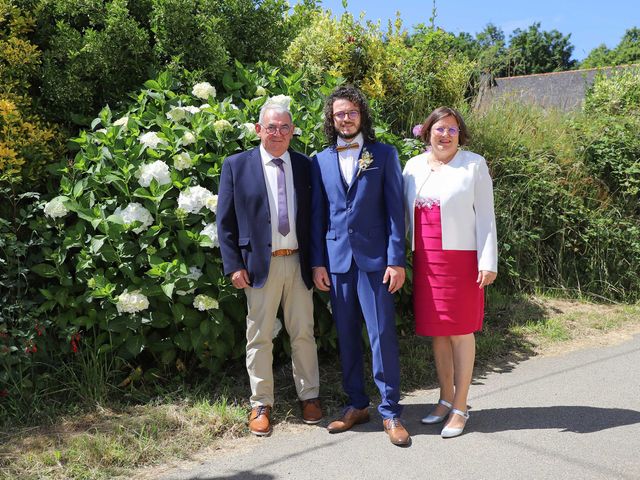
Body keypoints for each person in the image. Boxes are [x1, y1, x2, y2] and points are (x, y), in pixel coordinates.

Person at [217, 96, 322, 436]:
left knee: (303, 333)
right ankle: (261, 403)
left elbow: (316, 220)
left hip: (297, 262)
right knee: (259, 336)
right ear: (258, 129)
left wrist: (318, 262)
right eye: (271, 127)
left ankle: (310, 396)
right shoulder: (236, 165)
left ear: (293, 131)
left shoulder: (306, 166)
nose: (278, 133)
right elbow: (226, 222)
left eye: (284, 127)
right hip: (259, 266)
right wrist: (234, 264)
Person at [311, 85, 409, 446]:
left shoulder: (384, 154)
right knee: (348, 336)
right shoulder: (319, 160)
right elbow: (319, 215)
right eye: (339, 113)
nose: (346, 118)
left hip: (375, 261)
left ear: (362, 115)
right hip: (337, 262)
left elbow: (396, 213)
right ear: (331, 118)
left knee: (381, 335)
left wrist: (396, 260)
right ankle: (356, 404)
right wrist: (318, 262)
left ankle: (391, 411)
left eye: (351, 112)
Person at [402, 106, 497, 438]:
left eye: (452, 130)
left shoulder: (473, 165)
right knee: (438, 332)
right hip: (426, 261)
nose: (445, 135)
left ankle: (460, 406)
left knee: (460, 331)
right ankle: (444, 398)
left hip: (462, 260)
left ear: (460, 135)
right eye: (439, 129)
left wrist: (488, 261)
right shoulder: (412, 167)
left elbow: (485, 216)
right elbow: (402, 215)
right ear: (427, 132)